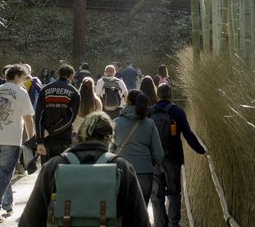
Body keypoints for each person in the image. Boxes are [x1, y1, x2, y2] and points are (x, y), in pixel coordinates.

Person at [20, 112, 151, 227]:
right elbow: (140, 221)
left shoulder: (54, 166)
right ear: (109, 138)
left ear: (79, 136)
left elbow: (30, 220)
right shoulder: (122, 167)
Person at [150, 83, 207, 227]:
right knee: (174, 193)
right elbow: (188, 135)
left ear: (157, 95)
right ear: (171, 95)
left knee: (157, 196)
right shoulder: (177, 112)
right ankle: (173, 223)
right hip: (173, 158)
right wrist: (202, 150)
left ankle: (159, 223)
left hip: (154, 160)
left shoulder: (149, 112)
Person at [0, 65, 36, 224]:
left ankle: (7, 203)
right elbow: (28, 117)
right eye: (24, 77)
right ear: (16, 76)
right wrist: (31, 138)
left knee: (2, 173)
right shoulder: (20, 93)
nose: (25, 80)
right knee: (5, 174)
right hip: (11, 138)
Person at [111, 90, 163, 203]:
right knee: (141, 213)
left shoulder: (116, 123)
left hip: (121, 171)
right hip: (144, 173)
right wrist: (147, 163)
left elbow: (110, 150)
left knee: (121, 212)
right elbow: (159, 154)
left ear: (127, 101)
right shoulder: (150, 124)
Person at [33, 63, 81, 163]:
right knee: (61, 173)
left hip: (45, 139)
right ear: (71, 76)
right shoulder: (74, 92)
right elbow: (70, 119)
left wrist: (40, 140)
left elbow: (38, 116)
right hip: (63, 139)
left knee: (46, 173)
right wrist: (52, 131)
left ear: (58, 74)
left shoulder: (45, 90)